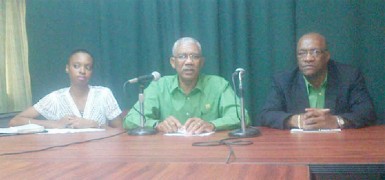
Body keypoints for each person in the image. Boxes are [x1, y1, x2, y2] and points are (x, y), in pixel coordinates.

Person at [124, 37, 249, 134]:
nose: (189, 62)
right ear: (173, 62)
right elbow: (131, 119)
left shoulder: (218, 85)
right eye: (182, 56)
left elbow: (242, 117)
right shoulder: (159, 86)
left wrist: (212, 125)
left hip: (208, 151)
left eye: (194, 57)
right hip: (168, 153)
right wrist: (157, 125)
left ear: (202, 62)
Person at [259, 32, 376, 130]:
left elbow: (367, 112)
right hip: (297, 147)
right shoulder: (284, 80)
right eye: (302, 53)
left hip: (339, 146)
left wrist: (336, 121)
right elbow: (267, 114)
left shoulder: (349, 76)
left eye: (315, 52)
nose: (308, 58)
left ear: (327, 56)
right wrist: (296, 120)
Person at [9, 49, 122, 129]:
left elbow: (120, 132)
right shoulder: (56, 98)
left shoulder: (103, 94)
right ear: (67, 68)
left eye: (88, 67)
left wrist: (95, 124)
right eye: (76, 66)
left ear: (91, 71)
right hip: (65, 159)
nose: (82, 71)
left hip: (101, 157)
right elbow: (15, 121)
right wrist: (54, 124)